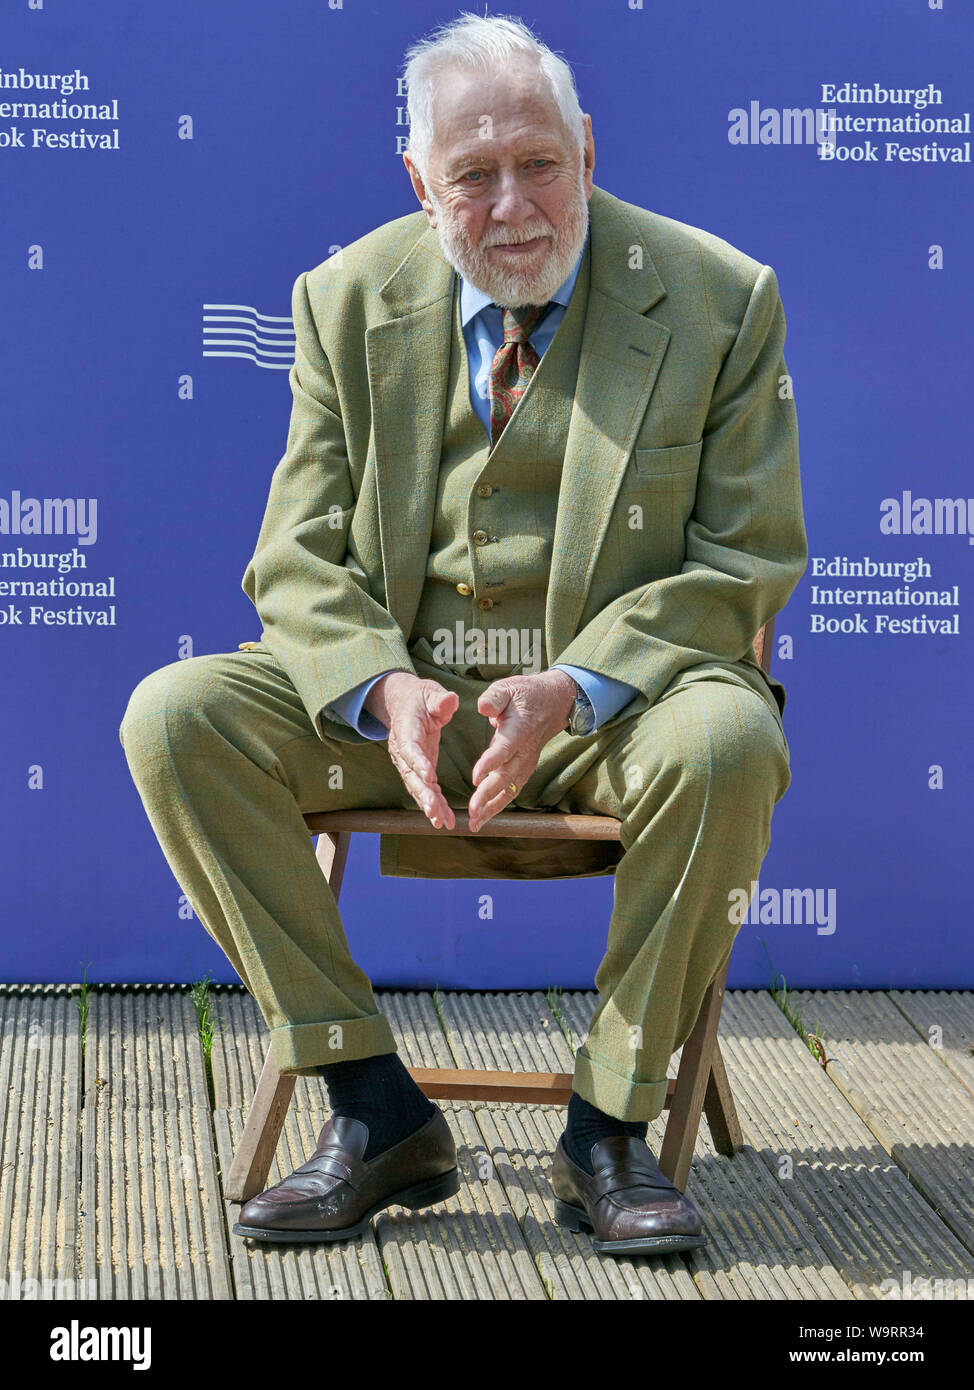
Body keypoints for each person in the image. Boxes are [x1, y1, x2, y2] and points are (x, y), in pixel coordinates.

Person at [119, 12, 807, 1257]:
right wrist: (381, 688)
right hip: (410, 721)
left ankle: (608, 1125)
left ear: (587, 151)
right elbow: (295, 552)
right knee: (176, 715)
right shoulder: (344, 298)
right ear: (417, 184)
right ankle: (371, 1104)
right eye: (471, 175)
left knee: (728, 742)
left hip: (621, 715)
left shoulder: (719, 296)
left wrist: (576, 682)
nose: (511, 206)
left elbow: (747, 558)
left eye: (538, 163)